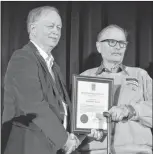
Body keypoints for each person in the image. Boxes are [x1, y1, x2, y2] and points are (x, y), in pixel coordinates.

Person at [2, 6, 103, 154]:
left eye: (59, 27)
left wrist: (85, 129)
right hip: (28, 146)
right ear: (33, 29)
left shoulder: (54, 67)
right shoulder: (23, 58)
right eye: (50, 26)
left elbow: (63, 109)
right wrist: (64, 140)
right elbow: (33, 105)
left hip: (51, 146)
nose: (56, 31)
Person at [78, 25, 152, 154]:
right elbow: (74, 121)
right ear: (98, 46)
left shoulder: (140, 75)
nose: (118, 47)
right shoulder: (85, 77)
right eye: (112, 42)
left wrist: (130, 110)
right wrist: (86, 131)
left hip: (134, 151)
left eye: (122, 43)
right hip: (95, 151)